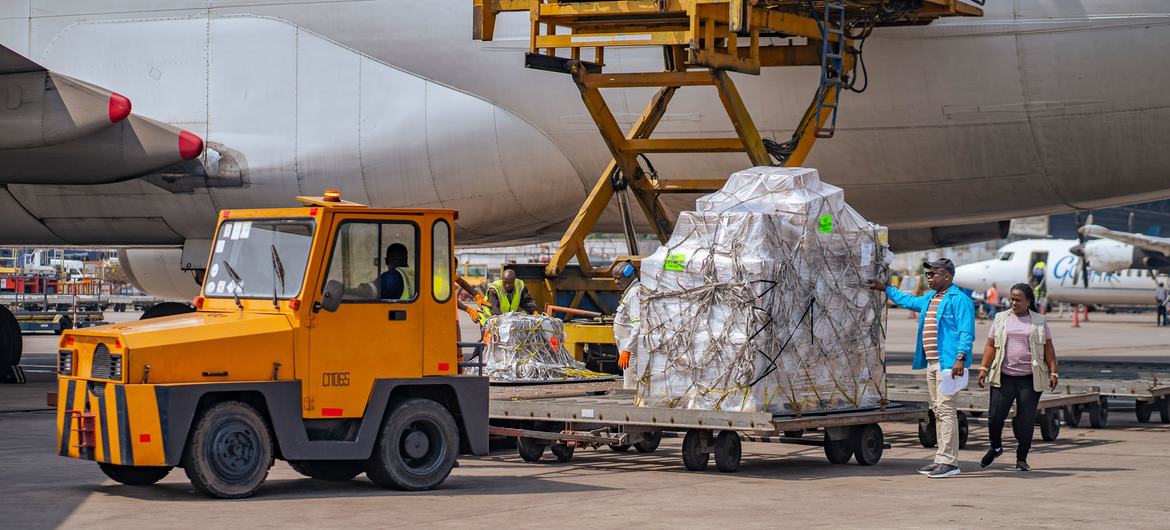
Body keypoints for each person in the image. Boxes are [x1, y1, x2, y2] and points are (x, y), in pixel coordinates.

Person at [868, 258, 974, 478]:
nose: (929, 277)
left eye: (933, 274)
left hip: (948, 365)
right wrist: (886, 289)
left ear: (947, 276)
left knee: (946, 411)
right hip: (932, 363)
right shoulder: (931, 298)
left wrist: (960, 358)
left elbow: (966, 332)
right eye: (928, 274)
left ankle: (950, 462)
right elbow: (909, 302)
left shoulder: (959, 300)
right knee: (937, 410)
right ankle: (941, 458)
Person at [977, 283, 1059, 472]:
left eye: (1018, 299)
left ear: (1028, 301)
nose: (1013, 302)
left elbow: (1048, 348)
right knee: (995, 417)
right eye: (1011, 299)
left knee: (1025, 419)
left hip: (1029, 378)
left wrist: (1054, 372)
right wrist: (983, 368)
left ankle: (1022, 457)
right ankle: (995, 447)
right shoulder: (1000, 318)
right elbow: (991, 345)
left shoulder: (1039, 321)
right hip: (1003, 375)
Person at [612, 261, 640, 389]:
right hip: (627, 347)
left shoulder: (634, 294)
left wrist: (627, 350)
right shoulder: (630, 292)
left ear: (629, 276)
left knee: (631, 386)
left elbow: (638, 326)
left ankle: (633, 409)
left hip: (631, 350)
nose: (616, 282)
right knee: (628, 383)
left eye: (619, 279)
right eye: (614, 279)